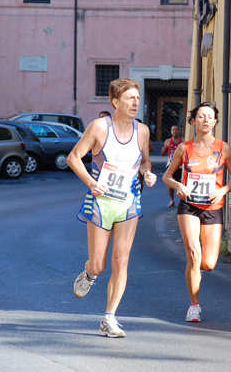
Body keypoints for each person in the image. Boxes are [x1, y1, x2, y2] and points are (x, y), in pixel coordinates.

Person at [67, 78, 157, 338]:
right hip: (100, 203)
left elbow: (145, 160)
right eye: (130, 98)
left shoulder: (142, 131)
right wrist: (91, 182)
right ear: (115, 102)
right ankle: (89, 273)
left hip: (129, 203)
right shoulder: (99, 127)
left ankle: (109, 318)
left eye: (137, 98)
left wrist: (148, 173)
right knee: (99, 265)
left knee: (121, 260)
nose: (135, 102)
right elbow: (74, 157)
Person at [162, 102, 231, 322]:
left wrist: (223, 190)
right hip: (189, 206)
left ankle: (199, 274)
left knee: (208, 263)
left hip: (213, 208)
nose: (205, 120)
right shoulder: (183, 148)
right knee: (194, 255)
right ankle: (194, 305)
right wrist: (179, 186)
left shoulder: (223, 148)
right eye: (201, 116)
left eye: (209, 117)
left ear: (215, 121)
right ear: (193, 121)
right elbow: (167, 176)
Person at [161, 125, 184, 207]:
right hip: (170, 164)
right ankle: (172, 200)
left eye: (176, 130)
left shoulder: (183, 141)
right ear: (171, 131)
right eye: (173, 130)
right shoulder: (167, 141)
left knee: (182, 182)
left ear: (179, 131)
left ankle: (182, 200)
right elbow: (163, 154)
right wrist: (163, 151)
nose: (174, 131)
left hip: (180, 165)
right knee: (170, 183)